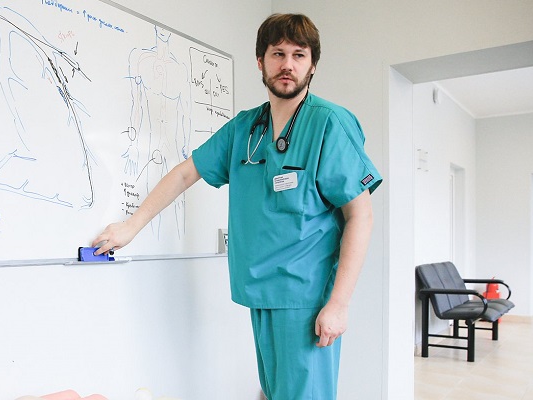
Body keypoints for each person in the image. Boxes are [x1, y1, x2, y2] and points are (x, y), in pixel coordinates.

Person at [92, 13, 381, 400]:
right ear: (260, 61)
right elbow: (185, 173)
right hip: (260, 292)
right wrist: (131, 226)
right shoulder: (245, 128)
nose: (288, 64)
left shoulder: (329, 124)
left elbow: (360, 215)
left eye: (299, 55)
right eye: (278, 53)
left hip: (306, 298)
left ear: (313, 65)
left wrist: (339, 304)